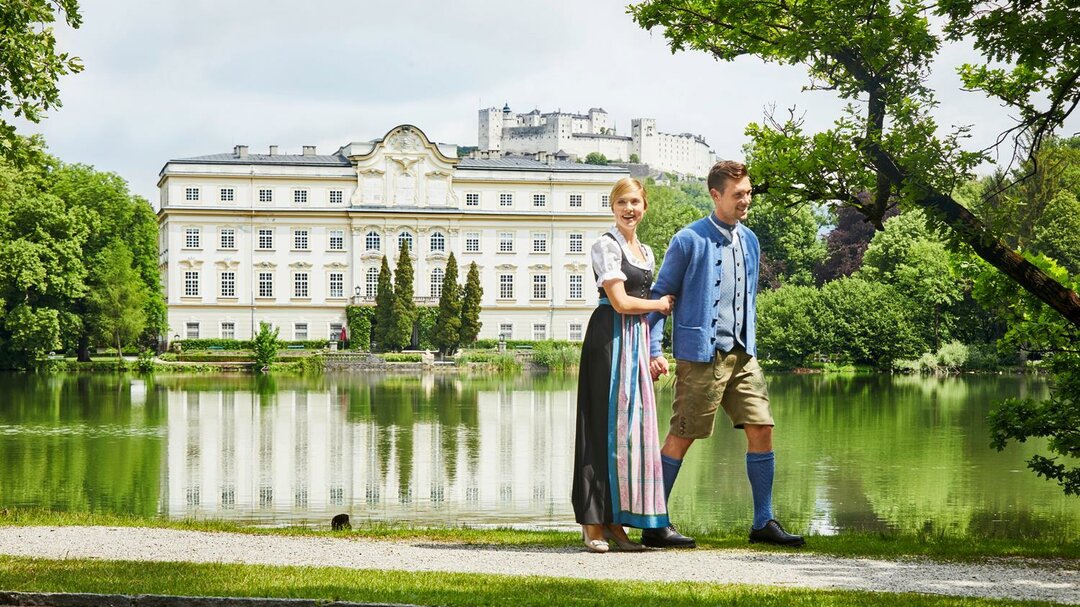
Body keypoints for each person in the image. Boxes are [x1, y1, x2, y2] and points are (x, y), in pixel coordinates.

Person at [644, 160, 805, 548]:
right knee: (683, 434)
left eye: (748, 192)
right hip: (701, 356)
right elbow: (661, 297)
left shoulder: (750, 240)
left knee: (761, 427)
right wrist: (653, 349)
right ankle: (653, 522)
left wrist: (750, 340)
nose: (746, 200)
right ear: (715, 195)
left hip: (744, 354)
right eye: (738, 194)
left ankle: (763, 522)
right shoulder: (688, 240)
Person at [572, 177, 675, 553]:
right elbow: (620, 302)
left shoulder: (645, 251)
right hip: (609, 339)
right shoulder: (606, 245)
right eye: (621, 203)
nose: (629, 209)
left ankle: (617, 523)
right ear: (612, 207)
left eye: (635, 202)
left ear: (645, 207)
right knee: (602, 428)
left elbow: (638, 308)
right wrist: (660, 304)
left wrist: (653, 353)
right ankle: (593, 524)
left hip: (635, 340)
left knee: (630, 433)